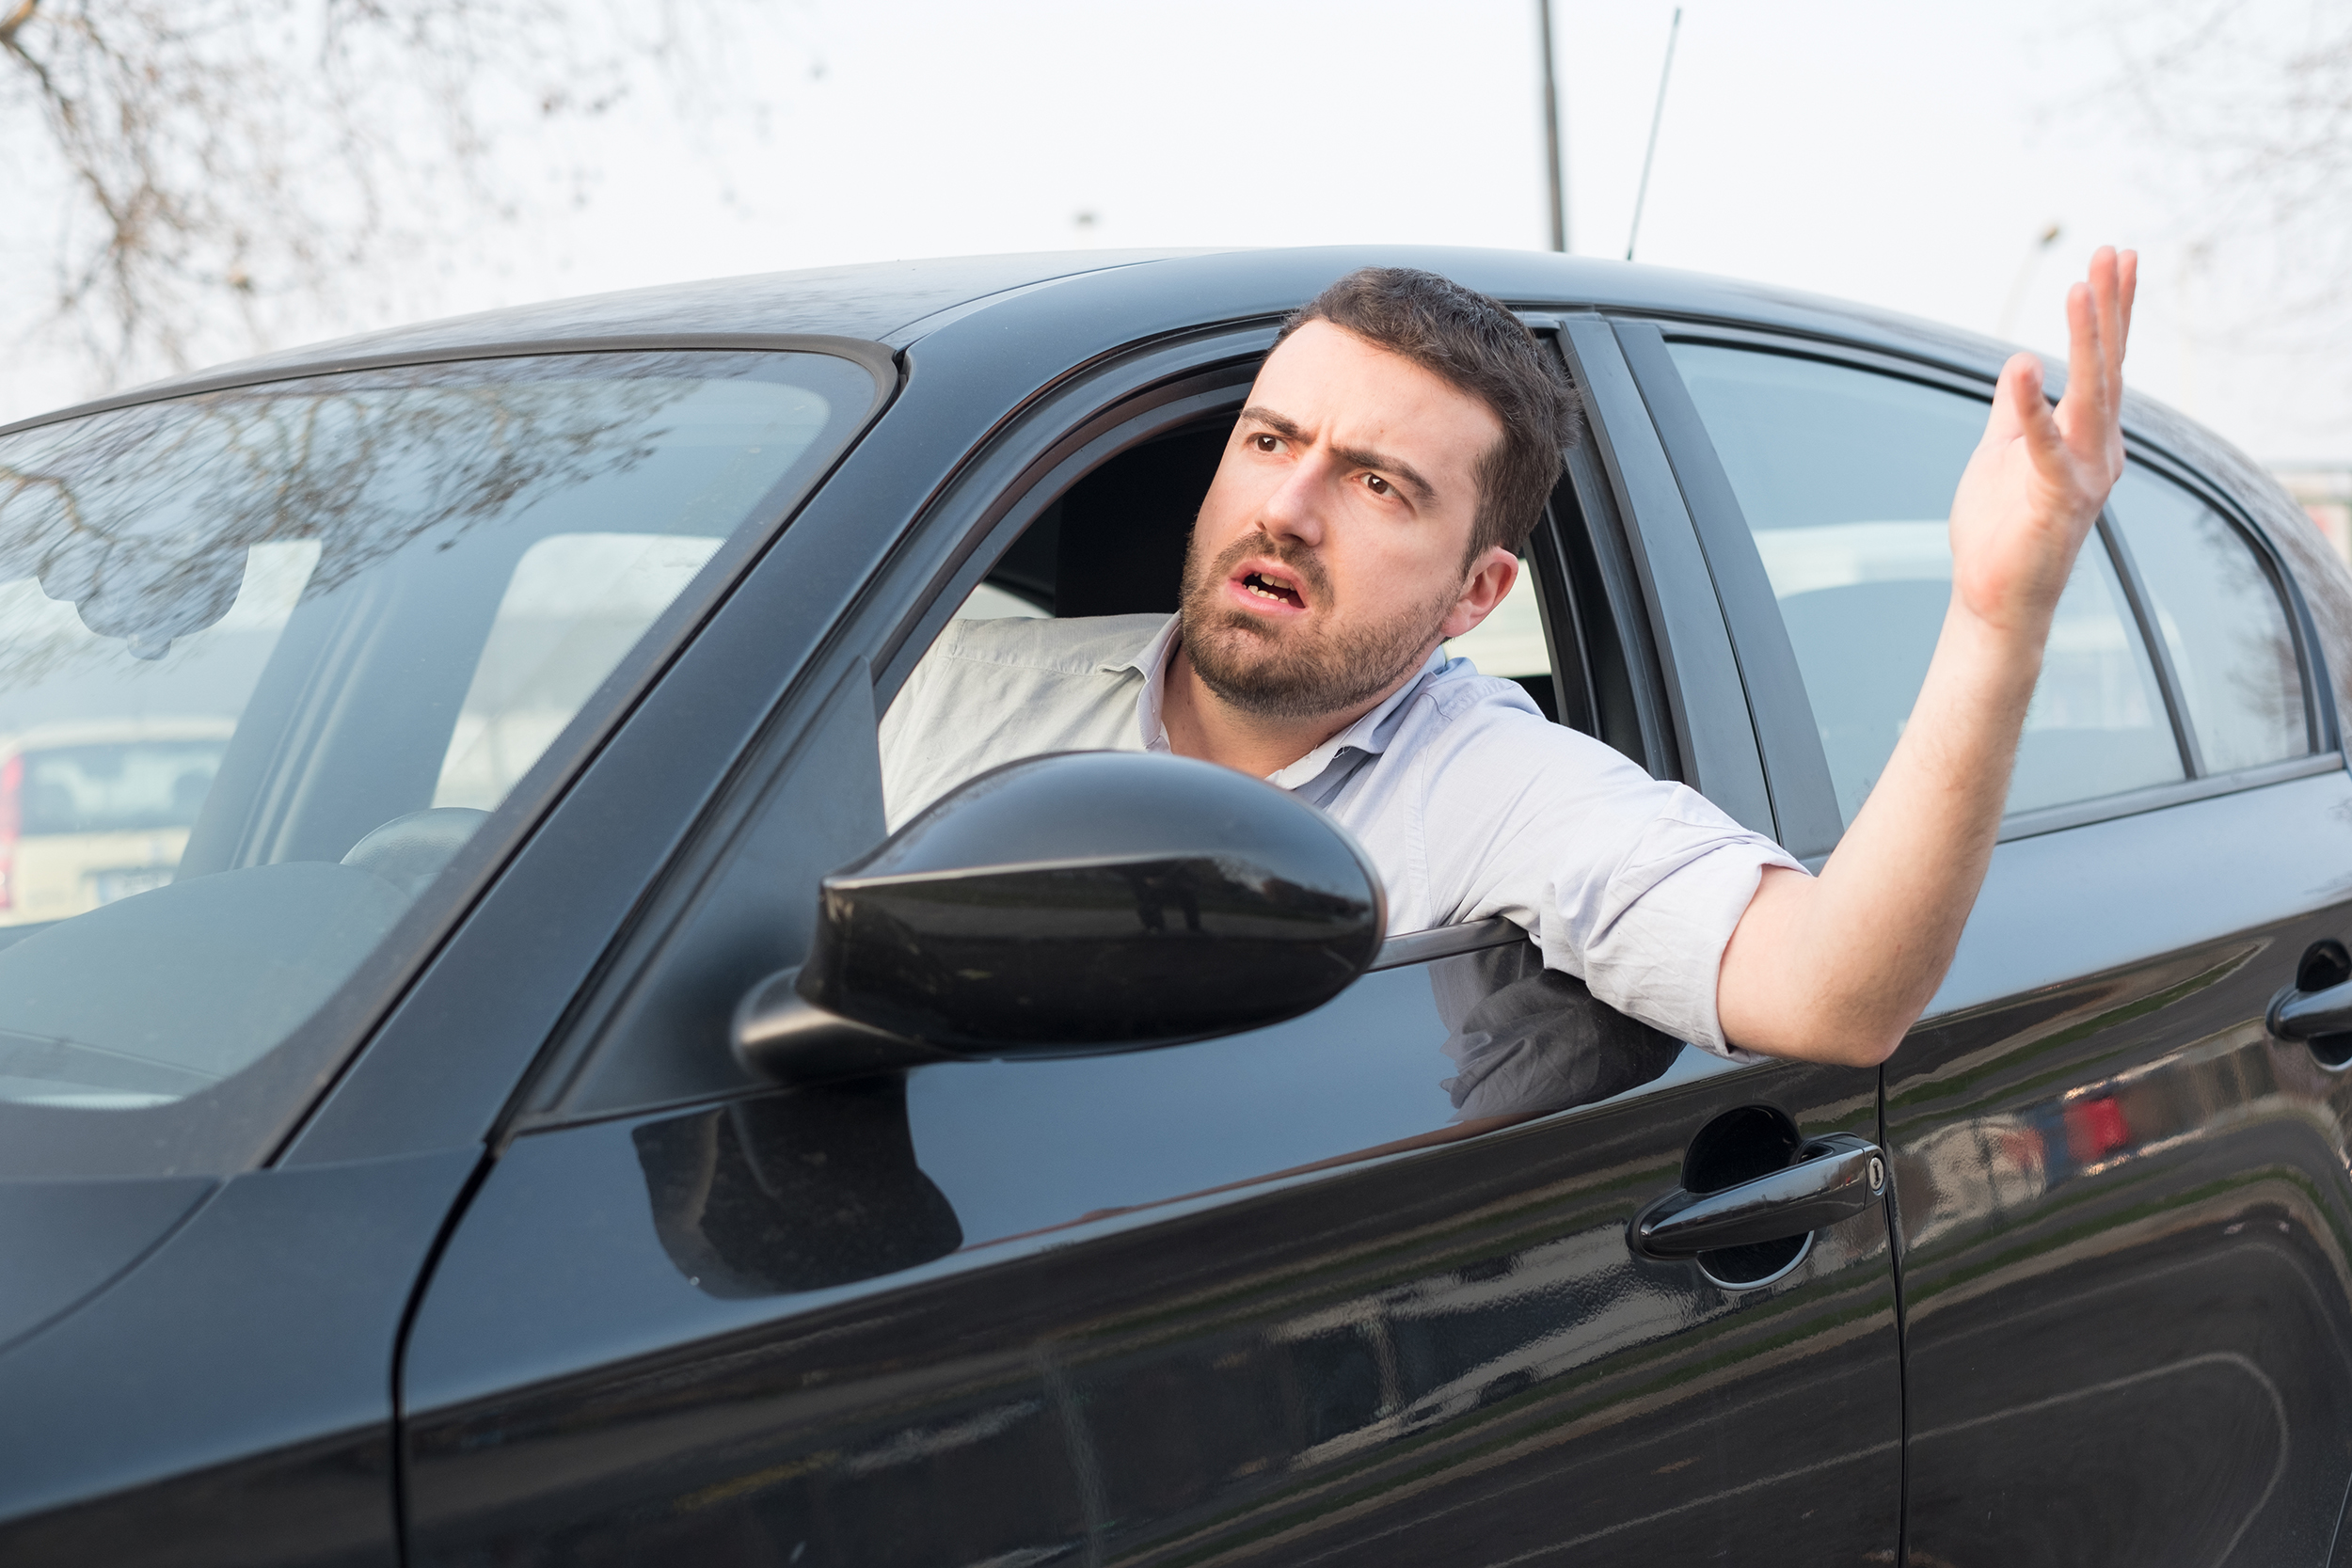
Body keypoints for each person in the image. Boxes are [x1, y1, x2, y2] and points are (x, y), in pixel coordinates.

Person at [881, 255, 2137, 1067]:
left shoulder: (1501, 790)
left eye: (1379, 484)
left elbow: (1832, 996)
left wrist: (1993, 620)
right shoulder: (941, 695)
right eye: (1271, 443)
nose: (1291, 509)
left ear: (1474, 596)